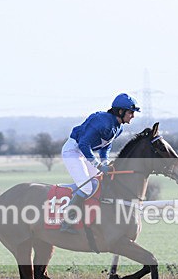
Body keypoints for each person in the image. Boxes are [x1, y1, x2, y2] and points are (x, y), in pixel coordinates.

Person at [59, 93, 140, 234]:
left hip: (84, 154)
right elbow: (84, 144)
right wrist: (98, 165)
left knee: (99, 182)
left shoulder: (118, 127)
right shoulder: (103, 122)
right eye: (131, 112)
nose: (133, 115)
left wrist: (105, 162)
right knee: (87, 188)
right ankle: (67, 221)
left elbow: (106, 146)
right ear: (120, 111)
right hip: (73, 151)